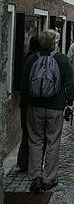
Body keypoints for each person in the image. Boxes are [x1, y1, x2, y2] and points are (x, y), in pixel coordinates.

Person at [20, 30, 74, 192]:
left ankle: (35, 176)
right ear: (54, 43)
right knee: (53, 142)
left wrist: (25, 104)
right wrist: (69, 103)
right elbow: (69, 84)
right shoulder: (61, 59)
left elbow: (24, 83)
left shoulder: (31, 59)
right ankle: (49, 178)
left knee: (35, 141)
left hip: (35, 106)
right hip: (55, 107)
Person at [17, 36, 40, 172]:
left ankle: (23, 161)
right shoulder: (37, 59)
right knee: (36, 134)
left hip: (26, 102)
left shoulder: (28, 58)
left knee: (26, 132)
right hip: (36, 102)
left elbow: (23, 80)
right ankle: (34, 163)